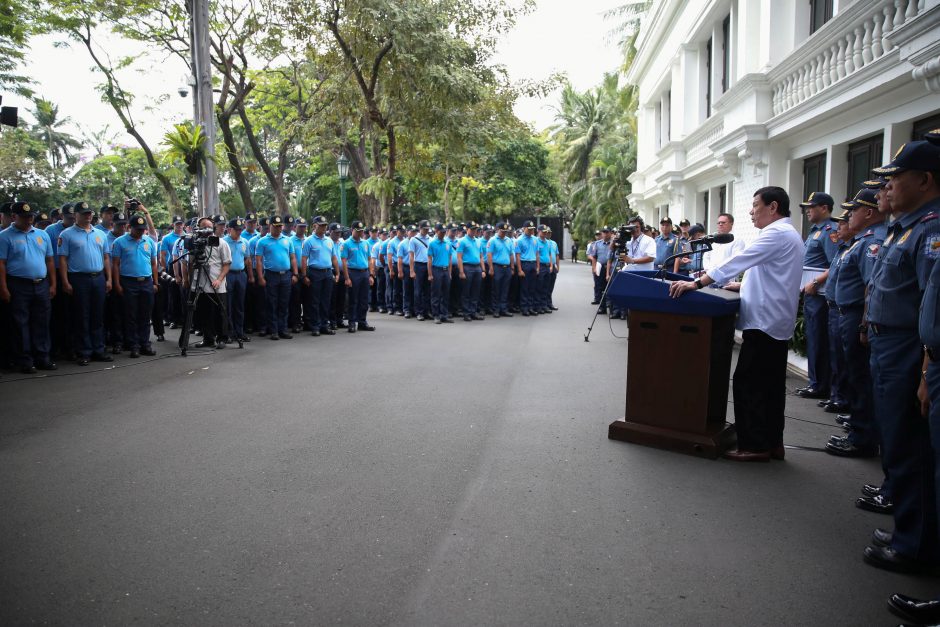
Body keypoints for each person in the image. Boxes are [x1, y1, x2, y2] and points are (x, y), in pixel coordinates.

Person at [670, 186, 804, 462]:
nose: (751, 210)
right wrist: (740, 284)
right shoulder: (788, 234)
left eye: (755, 205)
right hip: (774, 321)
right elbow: (774, 276)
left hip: (765, 324)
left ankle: (754, 445)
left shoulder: (776, 234)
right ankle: (771, 442)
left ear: (773, 207)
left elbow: (738, 260)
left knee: (749, 384)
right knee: (770, 386)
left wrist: (696, 282)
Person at [861, 139, 940, 575]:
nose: (887, 188)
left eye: (895, 179)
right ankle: (909, 527)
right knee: (895, 438)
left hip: (909, 348)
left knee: (909, 445)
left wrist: (927, 368)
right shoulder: (908, 227)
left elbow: (932, 301)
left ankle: (916, 544)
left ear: (925, 180)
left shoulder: (930, 229)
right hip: (888, 343)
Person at [0, 202, 58, 373]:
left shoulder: (42, 235)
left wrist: (53, 284)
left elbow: (49, 260)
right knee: (20, 324)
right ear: (13, 217)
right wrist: (3, 288)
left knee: (42, 322)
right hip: (18, 284)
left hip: (41, 283)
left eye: (31, 216)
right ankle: (25, 360)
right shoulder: (4, 237)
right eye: (25, 217)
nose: (29, 220)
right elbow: (1, 264)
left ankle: (43, 357)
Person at [794, 192, 840, 400]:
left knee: (820, 340)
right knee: (814, 338)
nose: (807, 211)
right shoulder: (814, 232)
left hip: (820, 294)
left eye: (812, 207)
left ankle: (821, 385)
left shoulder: (830, 231)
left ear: (824, 208)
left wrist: (815, 282)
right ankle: (816, 383)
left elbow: (835, 264)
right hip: (811, 294)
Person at [57, 201, 113, 366]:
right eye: (84, 214)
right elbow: (63, 260)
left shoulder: (100, 234)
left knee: (98, 315)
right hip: (79, 278)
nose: (88, 216)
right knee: (82, 316)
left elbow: (106, 258)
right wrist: (65, 282)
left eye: (90, 213)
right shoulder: (66, 234)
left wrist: (108, 279)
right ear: (76, 215)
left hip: (98, 278)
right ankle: (84, 351)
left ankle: (98, 349)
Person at [110, 214, 158, 358]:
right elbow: (115, 265)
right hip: (128, 281)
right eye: (137, 230)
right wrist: (117, 283)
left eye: (142, 229)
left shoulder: (148, 241)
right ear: (129, 228)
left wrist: (155, 282)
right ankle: (133, 345)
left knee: (145, 315)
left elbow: (154, 263)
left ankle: (145, 344)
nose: (140, 232)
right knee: (130, 316)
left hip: (146, 282)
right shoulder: (119, 242)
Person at [181, 217, 233, 349]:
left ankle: (222, 338)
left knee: (220, 312)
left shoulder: (221, 243)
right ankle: (208, 338)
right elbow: (190, 263)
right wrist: (187, 279)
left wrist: (219, 279)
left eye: (209, 227)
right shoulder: (195, 243)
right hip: (200, 283)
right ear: (198, 229)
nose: (207, 230)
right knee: (203, 313)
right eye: (204, 227)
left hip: (216, 283)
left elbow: (227, 264)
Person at [254, 215, 297, 340]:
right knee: (272, 303)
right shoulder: (262, 241)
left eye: (280, 226)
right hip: (271, 275)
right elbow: (259, 260)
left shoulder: (287, 240)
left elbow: (293, 257)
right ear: (270, 226)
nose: (278, 229)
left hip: (286, 275)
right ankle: (273, 330)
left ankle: (283, 329)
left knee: (284, 303)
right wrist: (261, 277)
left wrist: (295, 274)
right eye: (276, 226)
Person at [609, 216, 655, 320]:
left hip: (644, 276)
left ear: (641, 227)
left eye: (637, 227)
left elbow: (651, 258)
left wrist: (632, 260)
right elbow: (611, 249)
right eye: (631, 227)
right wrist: (614, 240)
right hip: (629, 276)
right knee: (630, 305)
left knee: (642, 304)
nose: (634, 230)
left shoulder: (649, 240)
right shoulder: (627, 240)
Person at [300, 215, 339, 336]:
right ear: (314, 226)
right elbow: (304, 259)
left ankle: (324, 325)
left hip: (327, 272)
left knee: (326, 301)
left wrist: (337, 272)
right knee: (314, 301)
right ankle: (315, 326)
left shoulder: (329, 241)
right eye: (321, 226)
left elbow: (334, 258)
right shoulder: (308, 241)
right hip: (315, 272)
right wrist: (304, 276)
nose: (323, 228)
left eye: (325, 226)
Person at [340, 221, 375, 333]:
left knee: (364, 299)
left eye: (361, 231)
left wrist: (371, 274)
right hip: (353, 273)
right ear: (352, 230)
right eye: (358, 231)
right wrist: (347, 278)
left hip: (364, 273)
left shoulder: (365, 243)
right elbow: (344, 261)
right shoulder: (346, 244)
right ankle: (352, 322)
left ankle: (362, 322)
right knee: (353, 299)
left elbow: (369, 259)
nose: (360, 233)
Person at [222, 217, 250, 343]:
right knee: (228, 305)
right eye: (236, 230)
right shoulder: (223, 242)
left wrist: (250, 275)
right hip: (228, 275)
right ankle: (228, 333)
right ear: (229, 229)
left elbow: (247, 259)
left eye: (240, 229)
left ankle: (240, 332)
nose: (239, 232)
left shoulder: (244, 242)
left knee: (240, 305)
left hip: (240, 274)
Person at [457, 222, 486, 321]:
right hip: (467, 267)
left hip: (477, 267)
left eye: (475, 229)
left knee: (476, 291)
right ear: (467, 229)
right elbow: (459, 257)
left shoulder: (478, 241)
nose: (474, 231)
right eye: (472, 229)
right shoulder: (462, 241)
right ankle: (466, 313)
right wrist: (461, 271)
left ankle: (473, 311)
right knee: (466, 291)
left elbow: (481, 256)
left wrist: (483, 269)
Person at [160, 215, 185, 329]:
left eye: (181, 224)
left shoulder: (187, 237)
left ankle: (184, 319)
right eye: (177, 224)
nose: (179, 226)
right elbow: (163, 255)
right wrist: (164, 269)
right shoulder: (167, 238)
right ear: (173, 225)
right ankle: (173, 319)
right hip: (172, 266)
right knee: (173, 293)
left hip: (185, 265)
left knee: (184, 294)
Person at [427, 223, 454, 324]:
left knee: (445, 294)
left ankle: (444, 315)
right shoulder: (432, 243)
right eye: (441, 232)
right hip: (436, 270)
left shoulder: (448, 243)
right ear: (436, 231)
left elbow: (450, 259)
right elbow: (429, 260)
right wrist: (430, 274)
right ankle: (436, 315)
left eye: (444, 232)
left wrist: (450, 273)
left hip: (446, 270)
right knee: (436, 294)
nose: (443, 234)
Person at [514, 220, 540, 316]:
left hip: (533, 263)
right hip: (524, 264)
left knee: (532, 288)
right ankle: (524, 308)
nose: (531, 231)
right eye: (529, 229)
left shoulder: (535, 239)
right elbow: (517, 256)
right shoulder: (519, 240)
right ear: (524, 229)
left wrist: (537, 267)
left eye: (532, 229)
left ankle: (530, 307)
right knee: (525, 288)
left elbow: (537, 254)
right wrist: (520, 270)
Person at [409, 220, 432, 320]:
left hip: (428, 265)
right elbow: (411, 256)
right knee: (418, 290)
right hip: (418, 265)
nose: (426, 231)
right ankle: (418, 312)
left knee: (427, 290)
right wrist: (411, 270)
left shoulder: (430, 239)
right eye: (424, 229)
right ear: (420, 228)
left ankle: (426, 311)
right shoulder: (414, 240)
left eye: (427, 229)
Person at [288, 218, 307, 332]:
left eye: (304, 226)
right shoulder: (290, 240)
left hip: (306, 271)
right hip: (294, 271)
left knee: (307, 298)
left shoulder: (308, 240)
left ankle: (306, 321)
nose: (303, 228)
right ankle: (295, 323)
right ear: (294, 227)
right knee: (295, 299)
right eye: (300, 226)